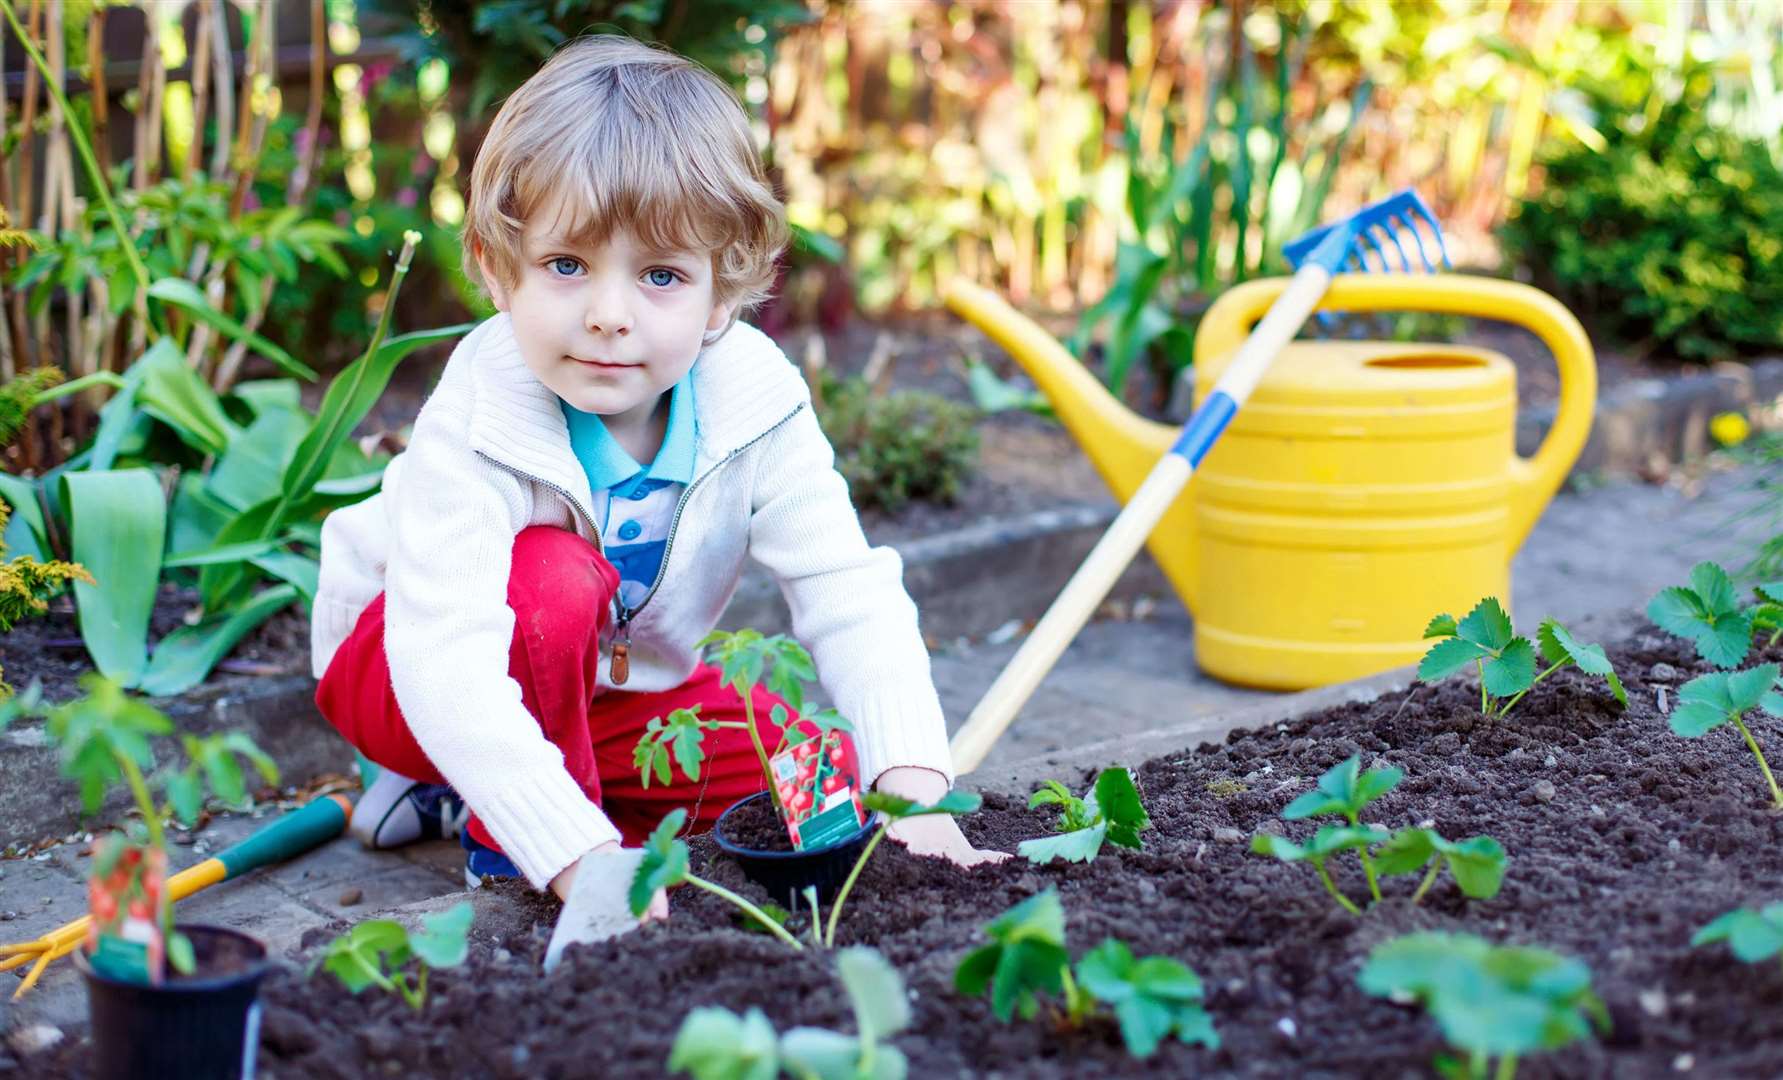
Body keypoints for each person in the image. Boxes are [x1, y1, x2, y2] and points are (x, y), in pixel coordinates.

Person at [310, 34, 1004, 920]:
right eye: (566, 266)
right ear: (496, 267)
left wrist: (915, 798)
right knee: (552, 579)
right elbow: (442, 662)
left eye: (662, 276)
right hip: (402, 671)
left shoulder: (754, 399)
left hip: (612, 688)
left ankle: (515, 785)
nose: (608, 316)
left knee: (806, 783)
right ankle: (500, 827)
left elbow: (848, 592)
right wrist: (586, 859)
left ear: (723, 294)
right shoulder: (481, 415)